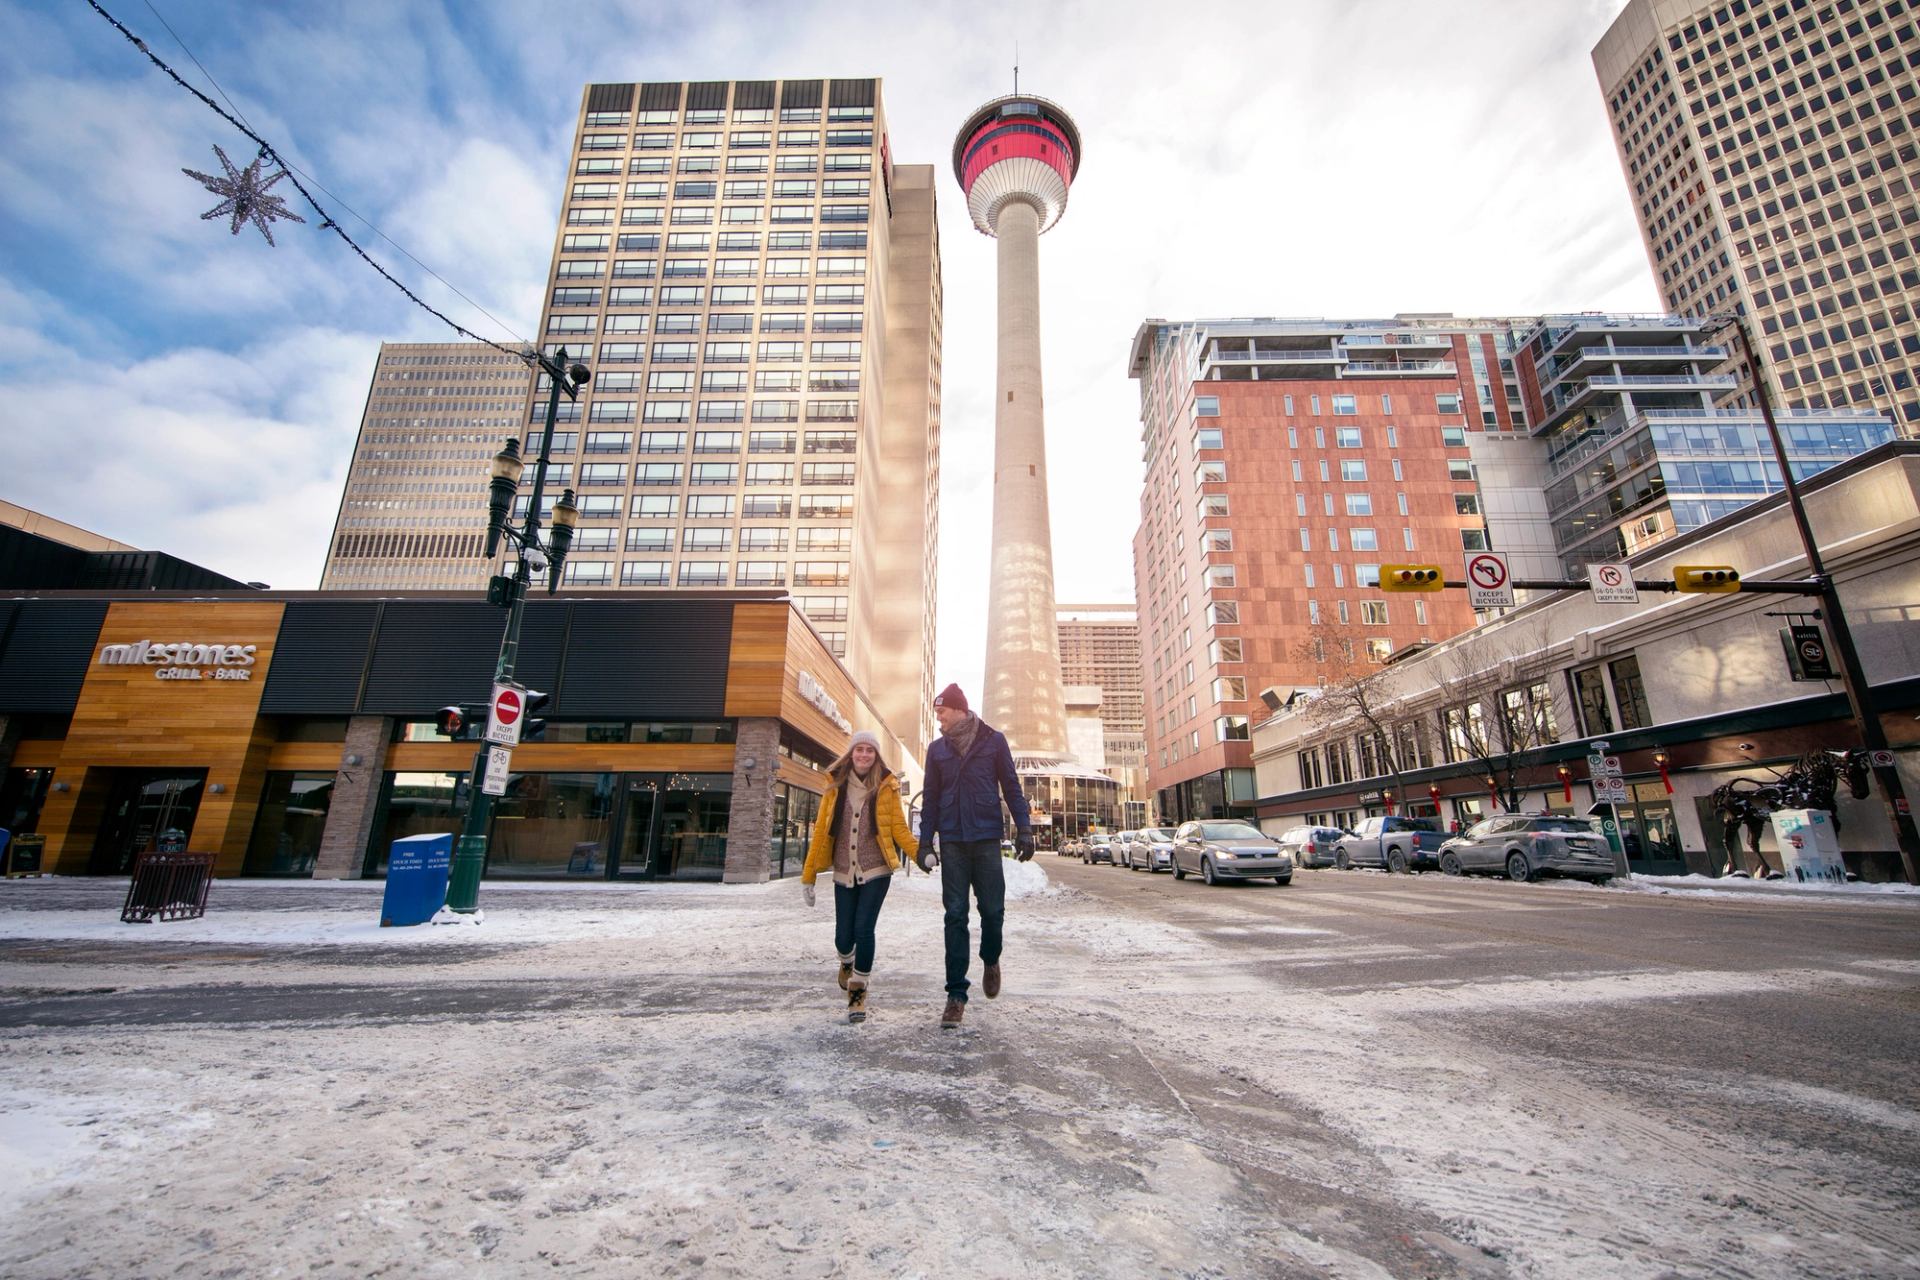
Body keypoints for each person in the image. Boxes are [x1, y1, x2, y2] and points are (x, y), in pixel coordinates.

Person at [914, 683, 1034, 1029]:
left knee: (993, 910)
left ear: (960, 710)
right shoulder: (937, 750)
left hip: (985, 838)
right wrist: (925, 843)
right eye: (937, 712)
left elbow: (1011, 786)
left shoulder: (993, 741)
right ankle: (955, 995)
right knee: (955, 914)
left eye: (942, 711)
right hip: (952, 839)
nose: (939, 718)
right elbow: (931, 798)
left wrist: (1024, 828)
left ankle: (991, 958)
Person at [800, 730, 917, 1024]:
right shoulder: (834, 787)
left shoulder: (887, 787)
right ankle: (846, 960)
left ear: (877, 756)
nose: (864, 755)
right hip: (843, 870)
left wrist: (921, 855)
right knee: (843, 936)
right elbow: (821, 833)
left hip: (877, 869)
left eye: (870, 751)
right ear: (851, 754)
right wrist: (809, 875)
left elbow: (899, 829)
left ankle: (857, 996)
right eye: (859, 749)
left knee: (864, 930)